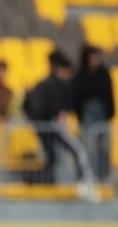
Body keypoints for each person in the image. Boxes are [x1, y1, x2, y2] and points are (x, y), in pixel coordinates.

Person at [24, 50, 96, 199]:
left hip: (43, 127)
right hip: (53, 125)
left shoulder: (43, 84)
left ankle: (42, 182)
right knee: (78, 150)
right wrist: (59, 116)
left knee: (52, 158)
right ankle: (85, 184)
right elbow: (58, 110)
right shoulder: (54, 84)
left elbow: (30, 106)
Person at [73, 45, 114, 182]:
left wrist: (109, 112)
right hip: (87, 114)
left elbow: (109, 95)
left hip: (102, 114)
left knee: (104, 146)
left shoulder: (103, 74)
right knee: (87, 147)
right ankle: (87, 176)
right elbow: (77, 96)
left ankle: (103, 176)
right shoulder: (81, 75)